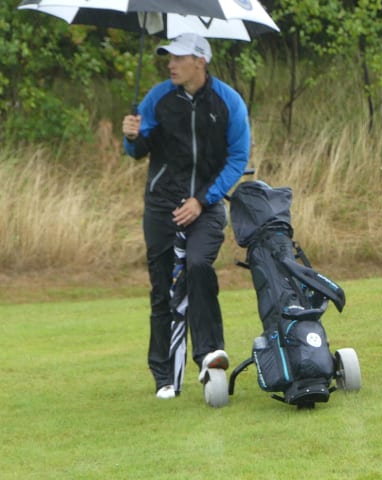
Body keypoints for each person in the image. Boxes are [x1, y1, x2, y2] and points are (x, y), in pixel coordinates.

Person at [122, 33, 251, 400]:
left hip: (206, 208)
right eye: (168, 57)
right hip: (162, 207)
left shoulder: (228, 102)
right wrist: (131, 136)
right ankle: (164, 375)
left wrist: (202, 199)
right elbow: (137, 149)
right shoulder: (158, 98)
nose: (170, 64)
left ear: (200, 61)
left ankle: (209, 354)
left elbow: (238, 157)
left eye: (178, 57)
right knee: (162, 289)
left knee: (197, 266)